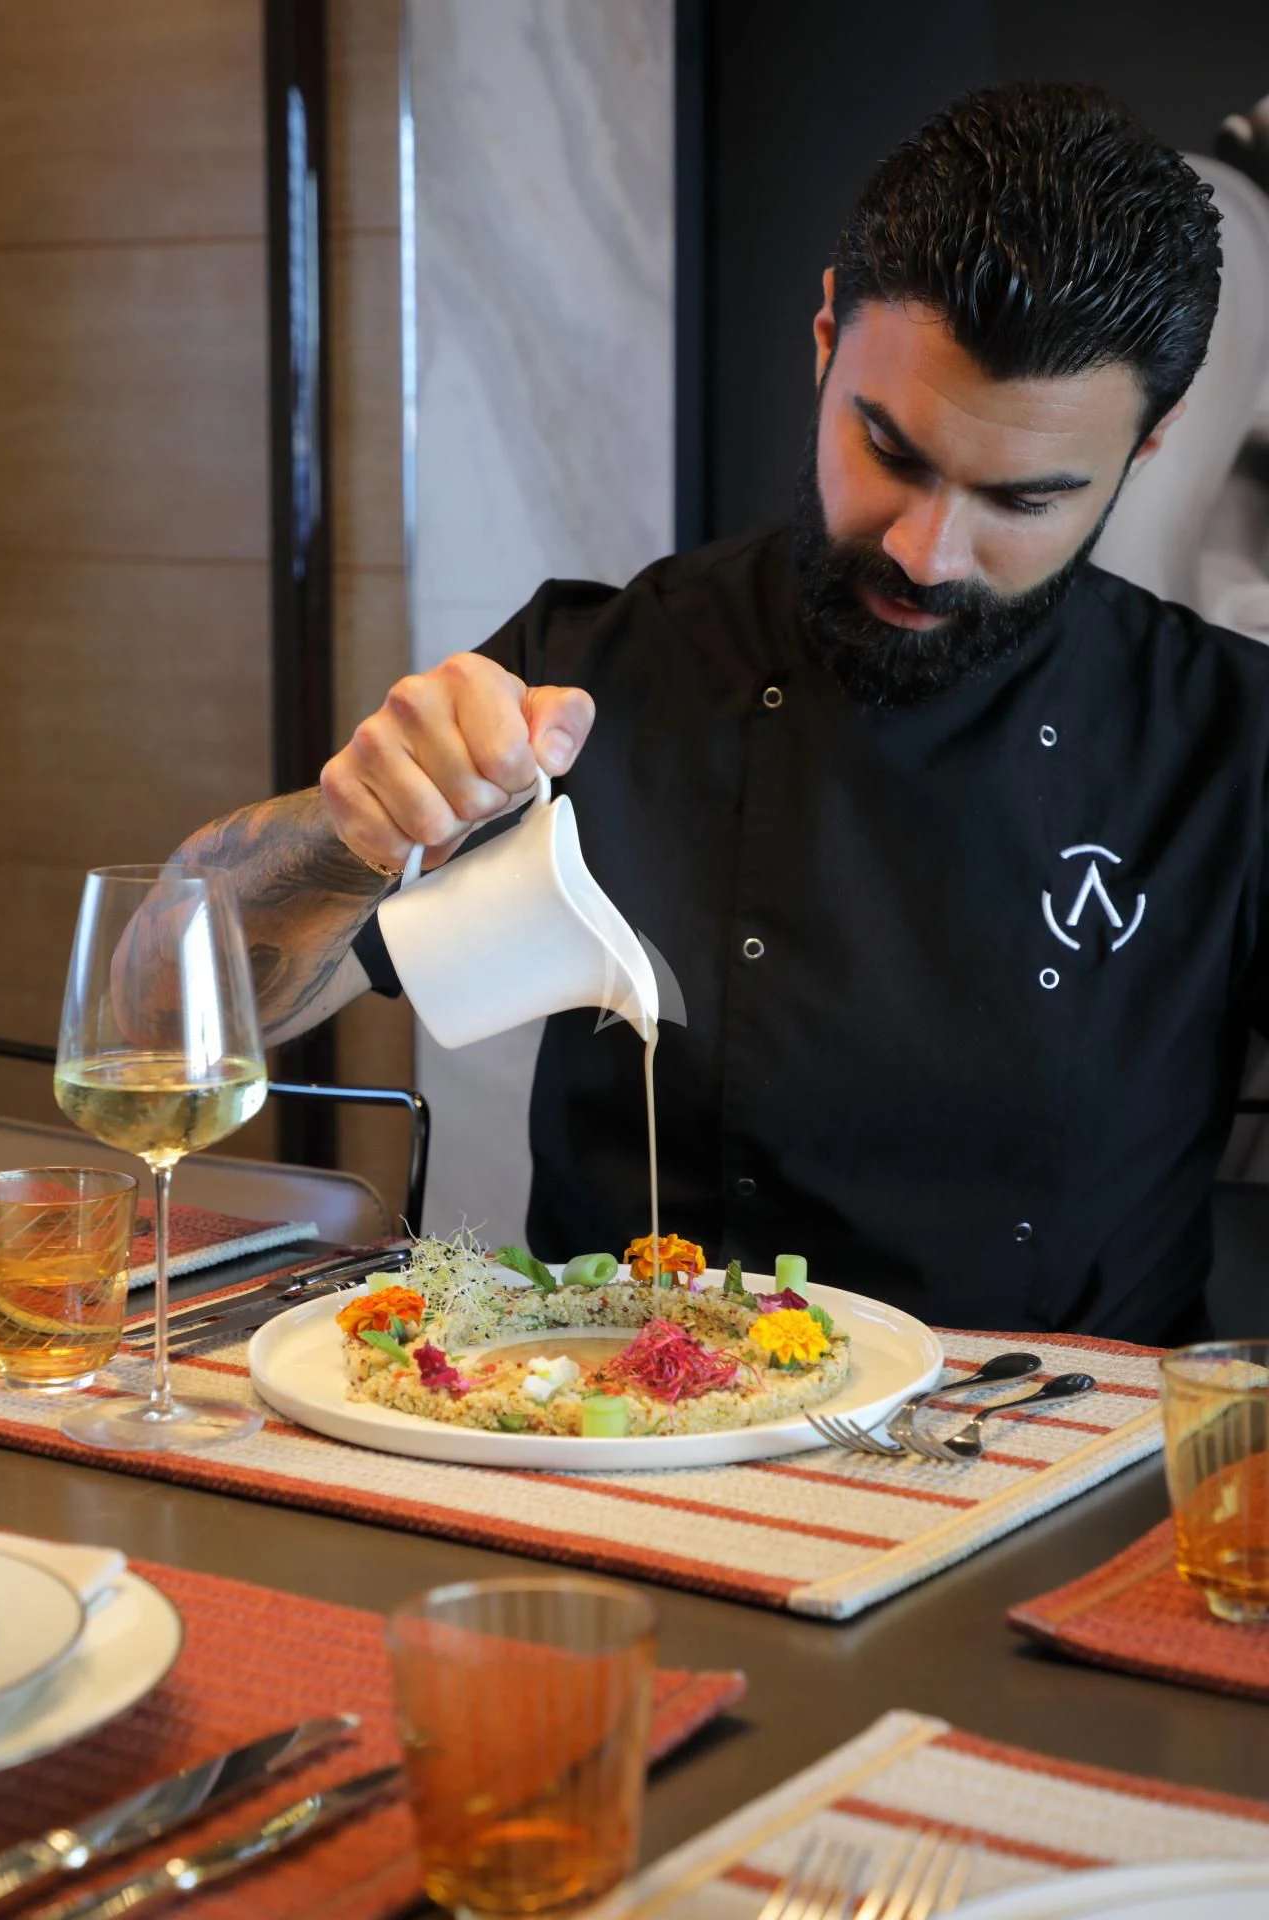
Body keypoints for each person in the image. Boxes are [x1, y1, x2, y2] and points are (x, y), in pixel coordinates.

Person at [175, 80, 1266, 1343]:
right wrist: (348, 831)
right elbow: (168, 1015)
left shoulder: (1223, 742)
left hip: (1067, 1439)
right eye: (889, 451)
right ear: (824, 339)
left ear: (1147, 445)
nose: (923, 551)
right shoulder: (601, 670)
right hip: (626, 1413)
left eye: (1022, 500)